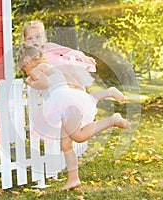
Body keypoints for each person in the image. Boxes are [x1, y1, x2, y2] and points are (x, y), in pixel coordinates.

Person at [18, 44, 131, 190]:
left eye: (23, 68)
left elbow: (44, 83)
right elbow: (66, 82)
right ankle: (73, 179)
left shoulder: (35, 69)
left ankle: (113, 120)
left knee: (78, 136)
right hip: (67, 99)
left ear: (27, 61)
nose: (25, 71)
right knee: (66, 145)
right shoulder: (50, 67)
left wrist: (31, 82)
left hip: (64, 102)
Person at [22, 20, 126, 102]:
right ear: (25, 41)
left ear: (44, 38)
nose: (34, 40)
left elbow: (70, 52)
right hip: (56, 84)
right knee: (76, 101)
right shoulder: (27, 56)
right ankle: (107, 93)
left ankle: (109, 92)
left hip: (67, 74)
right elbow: (29, 71)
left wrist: (85, 59)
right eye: (30, 38)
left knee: (82, 99)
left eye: (37, 37)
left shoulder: (49, 47)